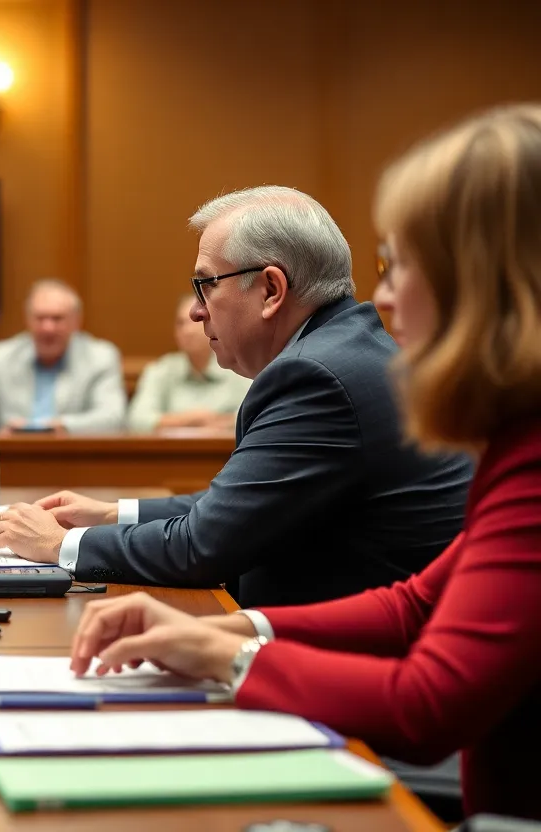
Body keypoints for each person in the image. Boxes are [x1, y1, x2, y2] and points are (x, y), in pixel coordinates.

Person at [65, 103, 541, 821]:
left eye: (405, 264)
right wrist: (228, 631)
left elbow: (428, 705)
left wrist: (223, 657)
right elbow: (414, 604)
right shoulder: (515, 436)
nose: (381, 295)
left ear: (490, 285)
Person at [0, 185, 473, 608]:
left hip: (350, 674)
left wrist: (61, 544)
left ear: (270, 290)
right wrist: (114, 513)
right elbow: (242, 505)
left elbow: (204, 545)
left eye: (205, 285)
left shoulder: (316, 377)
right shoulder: (347, 349)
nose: (197, 313)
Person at [0, 279, 127, 433]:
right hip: (12, 462)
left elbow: (113, 418)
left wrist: (58, 427)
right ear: (28, 320)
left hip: (76, 464)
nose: (47, 328)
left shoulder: (100, 357)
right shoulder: (1, 357)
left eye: (57, 318)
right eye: (40, 318)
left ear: (76, 322)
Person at [126, 293, 252, 433]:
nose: (187, 330)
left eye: (195, 321)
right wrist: (190, 420)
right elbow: (137, 419)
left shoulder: (238, 369)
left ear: (213, 324)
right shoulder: (161, 370)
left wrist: (218, 422)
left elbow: (254, 416)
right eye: (181, 323)